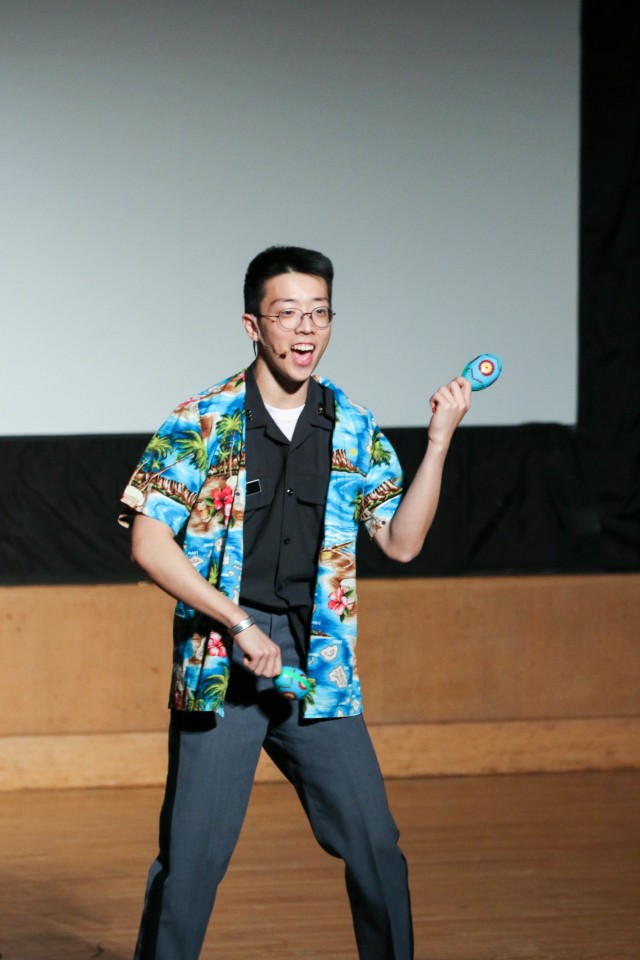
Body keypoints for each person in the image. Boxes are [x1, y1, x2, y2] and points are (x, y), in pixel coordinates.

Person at [119, 245, 471, 960]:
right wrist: (239, 622)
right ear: (254, 324)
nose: (305, 329)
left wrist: (436, 445)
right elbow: (151, 545)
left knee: (376, 846)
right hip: (225, 658)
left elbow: (401, 542)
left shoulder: (351, 424)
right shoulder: (203, 419)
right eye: (288, 314)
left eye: (319, 313)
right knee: (192, 864)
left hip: (317, 665)